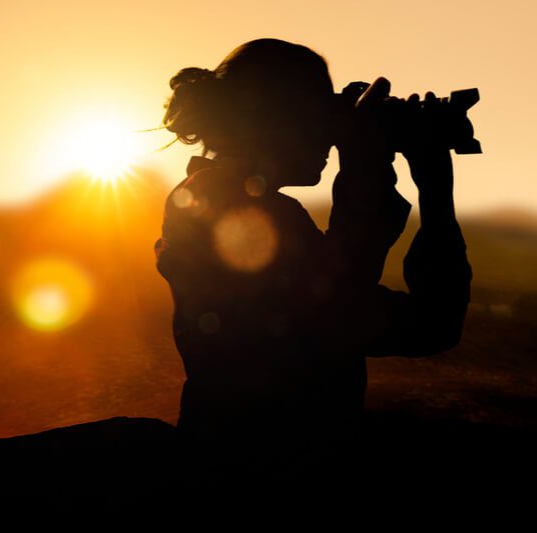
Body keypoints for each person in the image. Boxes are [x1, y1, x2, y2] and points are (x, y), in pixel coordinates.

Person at [153, 39, 472, 478]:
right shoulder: (230, 210)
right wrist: (399, 177)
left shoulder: (221, 201)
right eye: (320, 112)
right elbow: (408, 320)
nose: (331, 131)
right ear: (275, 119)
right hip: (260, 470)